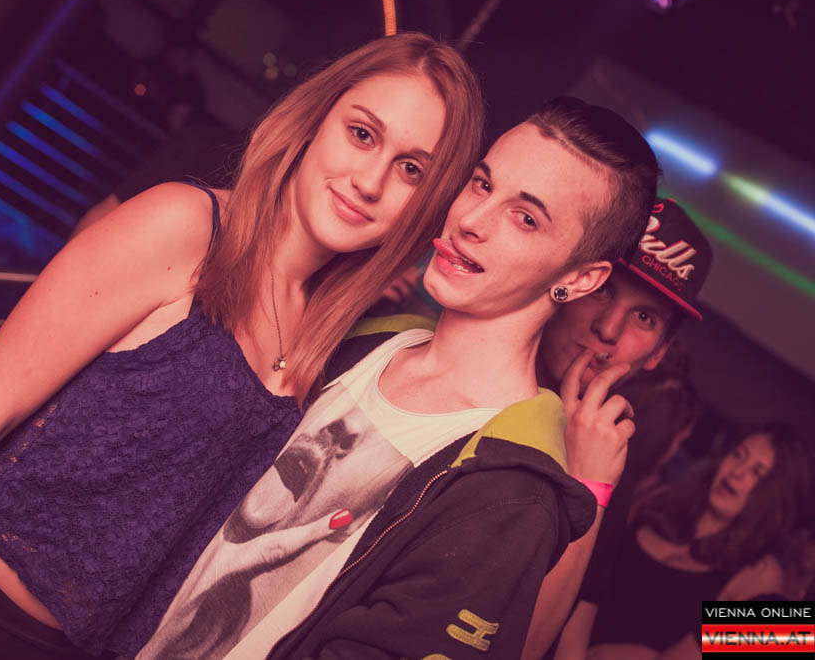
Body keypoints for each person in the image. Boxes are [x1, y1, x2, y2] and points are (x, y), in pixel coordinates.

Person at [0, 32, 485, 660]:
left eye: (410, 169)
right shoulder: (186, 225)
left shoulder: (322, 330)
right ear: (315, 120)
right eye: (361, 134)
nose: (370, 180)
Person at [135, 96, 661, 659]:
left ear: (580, 278)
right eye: (482, 184)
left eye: (526, 218)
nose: (471, 221)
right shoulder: (360, 336)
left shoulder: (511, 495)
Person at [522, 198, 715, 658]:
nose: (608, 330)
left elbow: (566, 635)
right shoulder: (664, 511)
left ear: (658, 352)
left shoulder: (774, 593)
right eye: (604, 289)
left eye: (644, 317)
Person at [556, 423, 810, 660]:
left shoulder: (761, 575)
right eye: (738, 455)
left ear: (776, 497)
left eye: (757, 473)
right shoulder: (662, 501)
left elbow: (761, 640)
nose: (737, 471)